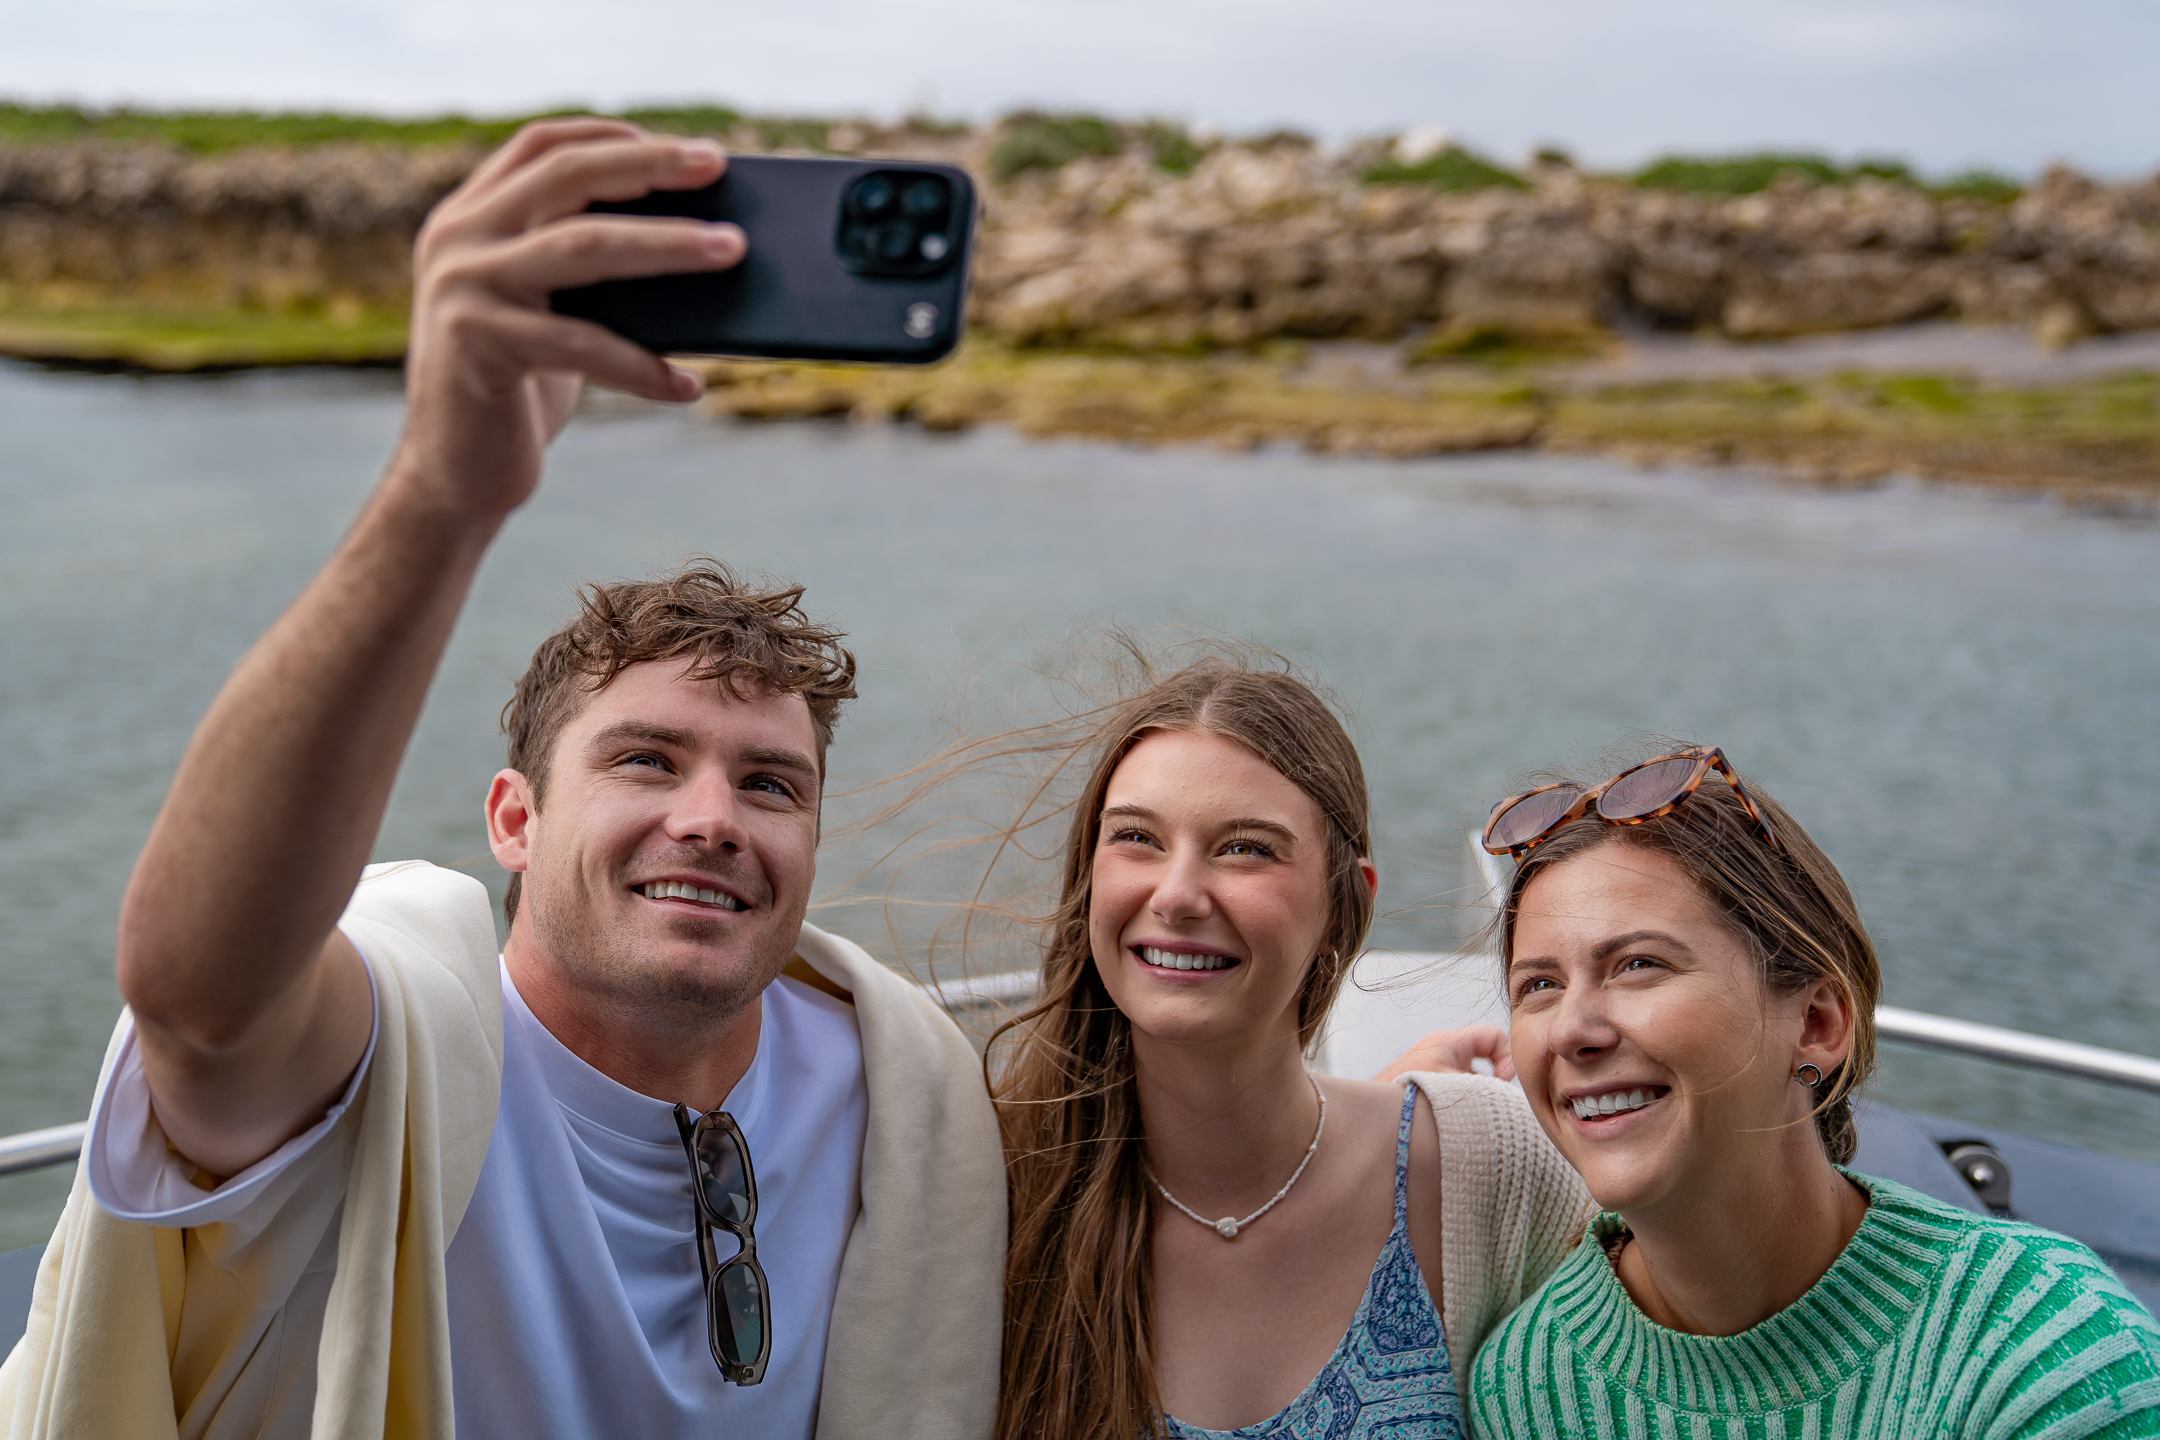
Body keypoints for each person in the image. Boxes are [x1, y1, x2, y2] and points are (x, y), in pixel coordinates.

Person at [0, 120, 1003, 1439]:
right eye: (645, 760)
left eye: (773, 786)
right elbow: (201, 1005)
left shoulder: (904, 1092)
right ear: (512, 820)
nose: (710, 818)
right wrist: (443, 490)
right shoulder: (395, 1062)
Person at [1464, 745, 2160, 1438]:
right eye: (1540, 986)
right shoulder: (1527, 1387)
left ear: (1818, 1024)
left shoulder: (2046, 1355)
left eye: (1639, 964)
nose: (1571, 1032)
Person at [989, 658, 1595, 1440]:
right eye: (1136, 838)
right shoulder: (995, 1184)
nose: (1175, 895)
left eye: (1245, 849)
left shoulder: (1488, 1167)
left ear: (1346, 909)